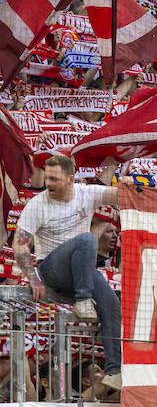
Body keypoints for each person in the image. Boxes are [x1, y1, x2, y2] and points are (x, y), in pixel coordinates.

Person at [13, 155, 124, 390]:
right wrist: (33, 278)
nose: (49, 183)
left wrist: (133, 185)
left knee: (112, 303)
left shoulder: (87, 193)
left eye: (55, 178)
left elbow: (121, 195)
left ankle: (115, 371)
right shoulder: (37, 204)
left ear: (71, 179)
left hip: (81, 270)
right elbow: (20, 245)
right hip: (52, 269)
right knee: (86, 240)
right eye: (47, 177)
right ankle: (83, 300)